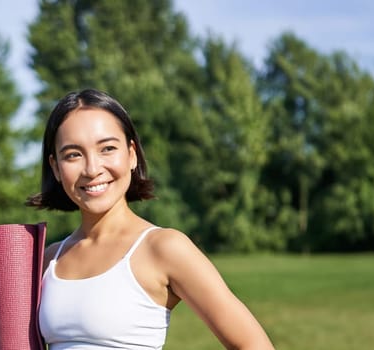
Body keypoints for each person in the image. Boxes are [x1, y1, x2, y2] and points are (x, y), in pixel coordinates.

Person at [26, 89, 275, 350]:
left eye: (107, 148)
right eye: (73, 154)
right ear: (55, 167)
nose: (92, 169)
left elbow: (254, 345)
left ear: (131, 154)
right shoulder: (49, 259)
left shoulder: (164, 248)